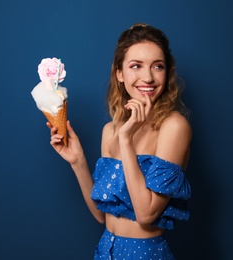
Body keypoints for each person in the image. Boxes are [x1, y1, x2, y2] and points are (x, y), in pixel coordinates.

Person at [47, 23, 192, 260]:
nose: (148, 77)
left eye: (158, 66)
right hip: (106, 250)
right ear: (120, 74)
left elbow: (146, 214)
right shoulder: (110, 130)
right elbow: (102, 215)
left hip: (144, 253)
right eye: (136, 66)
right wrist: (78, 161)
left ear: (167, 73)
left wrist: (126, 140)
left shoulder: (173, 126)